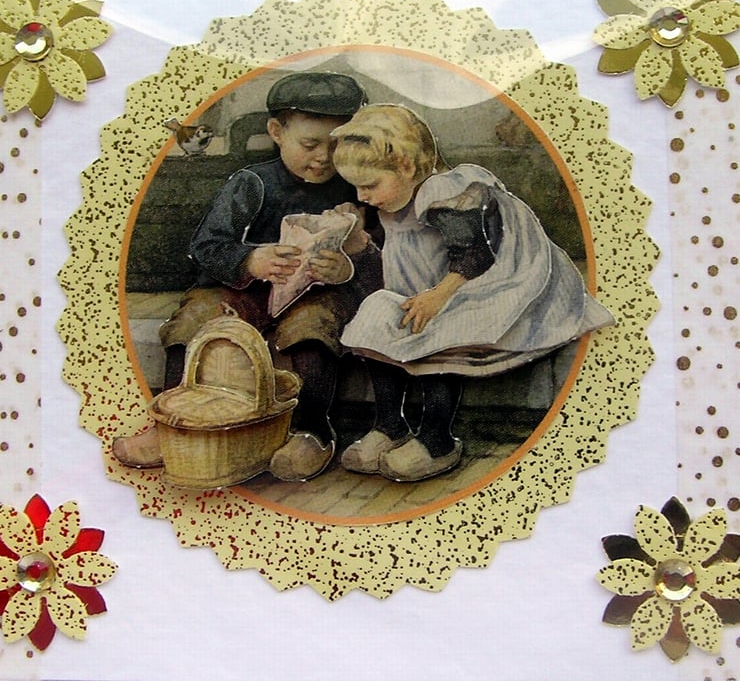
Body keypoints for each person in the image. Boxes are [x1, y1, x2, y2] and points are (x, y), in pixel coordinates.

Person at [114, 72, 382, 481]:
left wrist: (347, 265)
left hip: (316, 296)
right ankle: (171, 423)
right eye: (310, 144)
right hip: (245, 292)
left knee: (313, 326)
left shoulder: (360, 189)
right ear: (276, 132)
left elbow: (380, 260)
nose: (324, 157)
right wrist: (251, 259)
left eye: (337, 144)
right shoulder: (251, 183)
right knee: (193, 318)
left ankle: (311, 432)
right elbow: (206, 246)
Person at [330, 104, 615, 482]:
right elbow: (395, 260)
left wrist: (438, 296)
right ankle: (390, 426)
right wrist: (358, 244)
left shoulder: (445, 192)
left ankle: (437, 439)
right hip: (422, 291)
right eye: (356, 186)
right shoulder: (392, 200)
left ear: (406, 167)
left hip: (473, 286)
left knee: (437, 342)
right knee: (376, 317)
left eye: (369, 185)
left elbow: (475, 255)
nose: (362, 195)